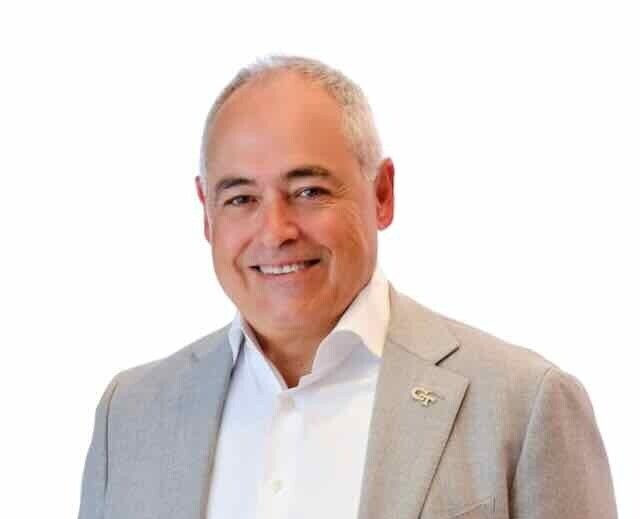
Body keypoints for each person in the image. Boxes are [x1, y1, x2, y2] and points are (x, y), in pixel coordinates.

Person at [78, 55, 617, 519]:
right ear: (206, 214)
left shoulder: (524, 405)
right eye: (241, 198)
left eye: (309, 191)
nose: (276, 231)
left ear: (381, 194)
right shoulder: (130, 414)